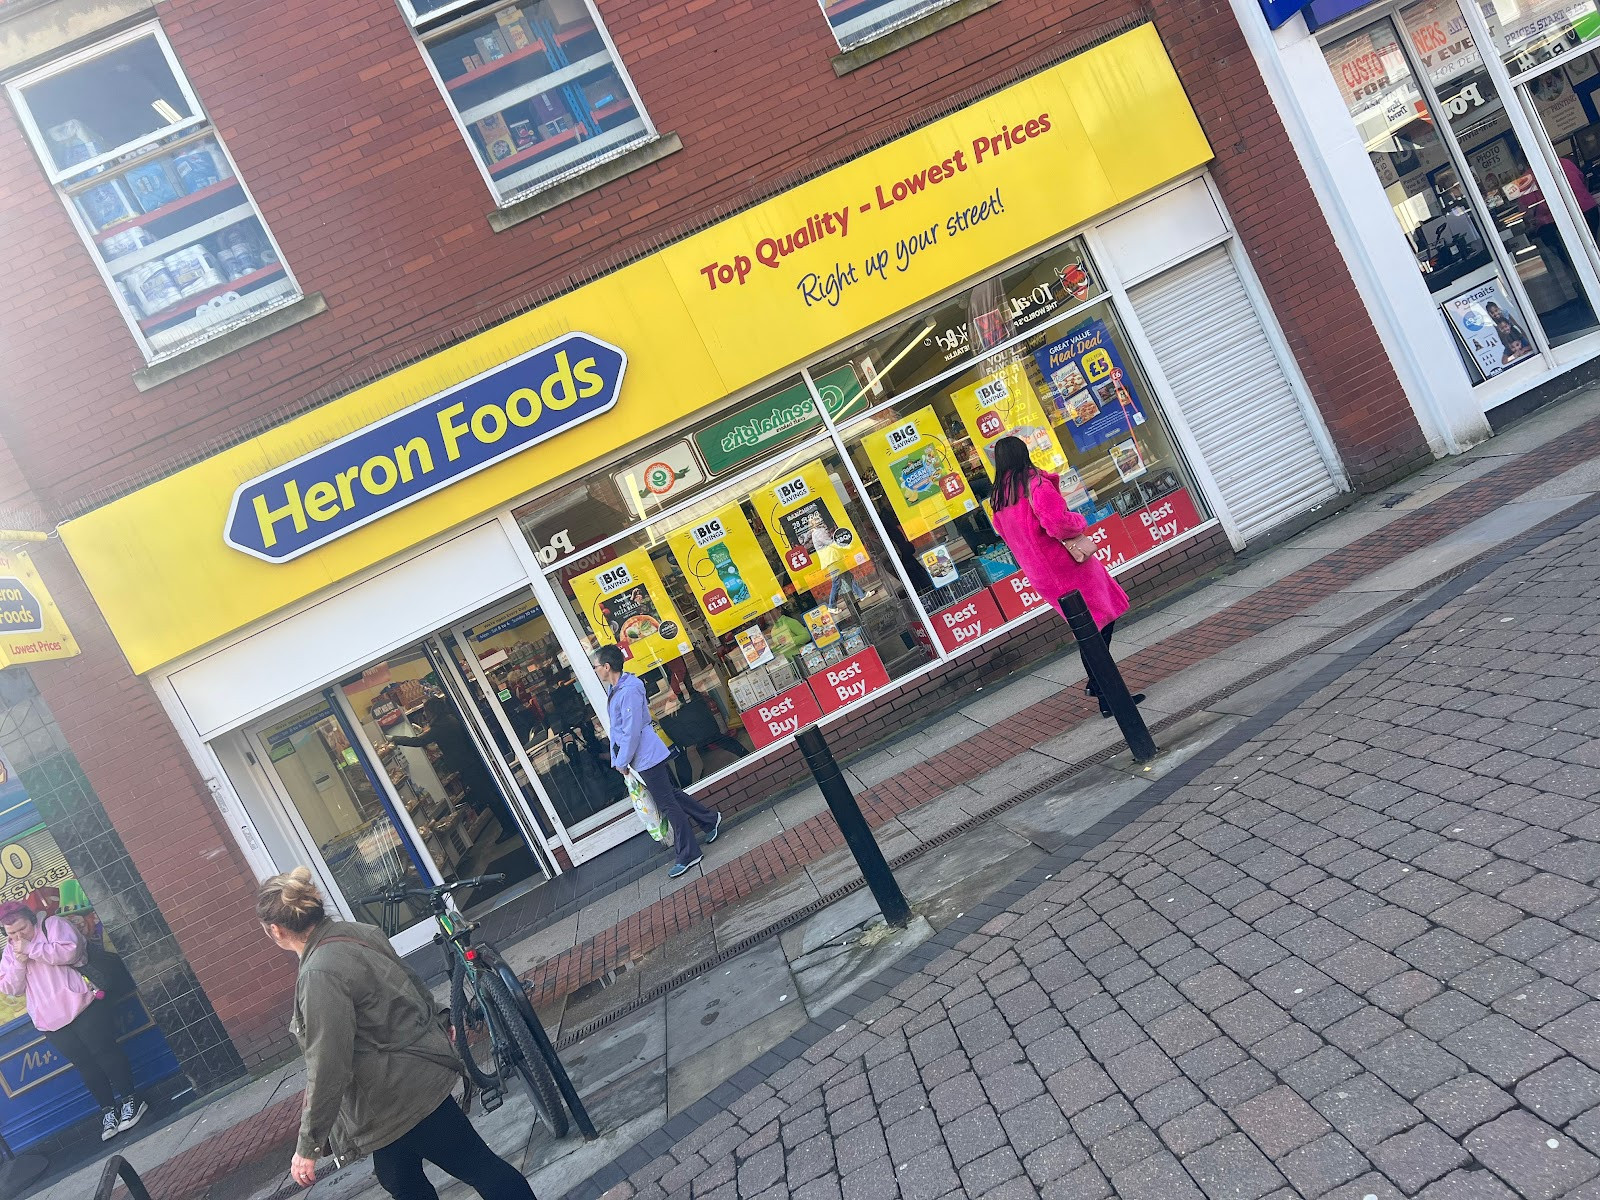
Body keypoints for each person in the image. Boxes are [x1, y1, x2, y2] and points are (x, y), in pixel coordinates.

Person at [258, 868, 535, 1200]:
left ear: (276, 930)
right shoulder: (358, 933)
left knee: (476, 1168)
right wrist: (439, 1018)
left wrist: (308, 1146)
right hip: (406, 1081)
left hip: (397, 1096)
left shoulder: (320, 974)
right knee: (401, 1178)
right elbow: (409, 980)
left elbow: (328, 1064)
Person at [986, 435, 1142, 718]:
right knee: (1097, 626)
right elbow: (1058, 524)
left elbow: (1010, 538)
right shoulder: (1036, 485)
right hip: (1066, 566)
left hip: (1041, 574)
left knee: (1089, 627)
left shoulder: (1000, 500)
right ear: (1023, 454)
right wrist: (1079, 521)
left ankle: (1101, 690)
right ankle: (1105, 693)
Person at [0, 901, 146, 1141]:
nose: (18, 936)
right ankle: (108, 1110)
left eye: (22, 928)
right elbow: (11, 988)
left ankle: (131, 1099)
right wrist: (19, 961)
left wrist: (32, 948)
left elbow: (72, 952)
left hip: (84, 1003)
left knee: (105, 1053)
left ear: (31, 920)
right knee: (84, 1065)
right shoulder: (10, 952)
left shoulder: (52, 925)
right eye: (12, 933)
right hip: (50, 1020)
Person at [594, 645, 720, 877]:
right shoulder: (617, 689)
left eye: (596, 666)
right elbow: (619, 730)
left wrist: (621, 761)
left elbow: (631, 731)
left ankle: (689, 853)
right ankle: (709, 820)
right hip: (642, 756)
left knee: (667, 803)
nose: (595, 670)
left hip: (646, 756)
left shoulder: (628, 690)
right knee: (670, 795)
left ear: (607, 666)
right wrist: (619, 758)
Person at [389, 697, 519, 845]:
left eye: (426, 711)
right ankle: (511, 823)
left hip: (467, 766)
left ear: (433, 711)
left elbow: (418, 741)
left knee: (488, 797)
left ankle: (509, 827)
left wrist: (395, 739)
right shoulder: (450, 719)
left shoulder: (440, 727)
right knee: (491, 794)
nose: (424, 714)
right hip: (473, 762)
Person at [807, 512, 868, 612]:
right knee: (837, 582)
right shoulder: (819, 532)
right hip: (831, 560)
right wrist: (846, 546)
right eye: (818, 519)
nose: (820, 520)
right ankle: (831, 606)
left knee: (848, 577)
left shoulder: (817, 532)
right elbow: (830, 543)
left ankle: (862, 594)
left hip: (834, 559)